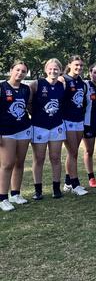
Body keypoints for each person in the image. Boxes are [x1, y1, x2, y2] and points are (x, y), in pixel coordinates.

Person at [29, 59, 66, 200]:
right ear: (46, 69)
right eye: (50, 69)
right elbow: (29, 102)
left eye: (56, 69)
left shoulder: (62, 85)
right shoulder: (37, 84)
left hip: (56, 126)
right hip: (39, 126)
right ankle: (38, 191)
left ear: (60, 70)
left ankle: (56, 189)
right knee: (39, 159)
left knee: (56, 158)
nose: (53, 71)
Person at [0, 61, 32, 211]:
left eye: (23, 71)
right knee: (7, 164)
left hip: (24, 128)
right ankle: (3, 198)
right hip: (7, 131)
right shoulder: (2, 87)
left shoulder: (26, 89)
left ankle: (15, 194)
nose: (20, 73)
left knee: (20, 163)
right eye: (17, 70)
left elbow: (29, 106)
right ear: (11, 70)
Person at [59, 56, 88, 196]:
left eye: (81, 65)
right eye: (76, 64)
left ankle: (67, 182)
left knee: (73, 152)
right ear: (69, 64)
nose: (79, 67)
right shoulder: (63, 79)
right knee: (73, 152)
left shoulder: (81, 82)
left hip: (79, 120)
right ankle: (75, 184)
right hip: (67, 120)